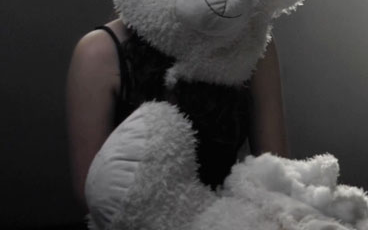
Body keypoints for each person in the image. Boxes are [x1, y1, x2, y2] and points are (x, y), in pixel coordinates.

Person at [65, 17, 289, 208]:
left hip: (231, 217)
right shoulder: (99, 51)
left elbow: (274, 169)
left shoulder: (254, 44)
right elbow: (90, 191)